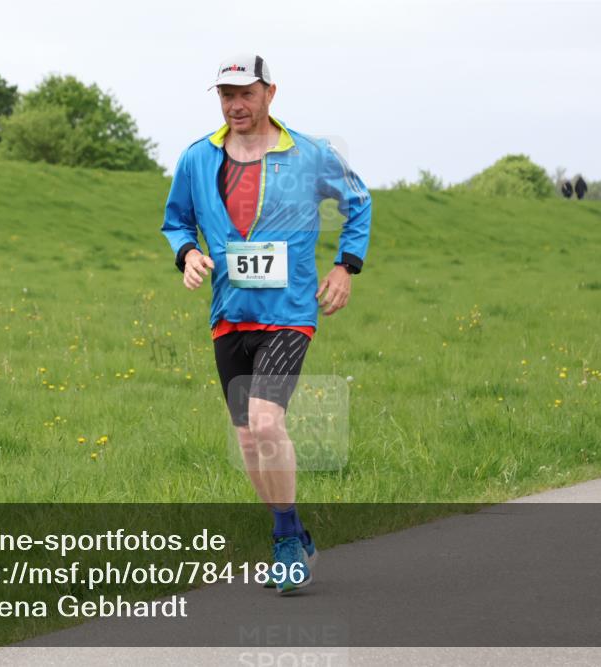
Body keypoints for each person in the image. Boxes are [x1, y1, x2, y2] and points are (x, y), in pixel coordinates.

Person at [161, 54, 372, 594]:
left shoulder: (309, 154)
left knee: (265, 422)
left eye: (246, 94)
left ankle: (283, 543)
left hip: (289, 315)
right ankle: (296, 532)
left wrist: (346, 266)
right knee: (249, 441)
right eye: (226, 96)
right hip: (230, 316)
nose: (235, 105)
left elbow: (358, 201)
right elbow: (176, 219)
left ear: (270, 93)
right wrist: (187, 254)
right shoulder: (197, 158)